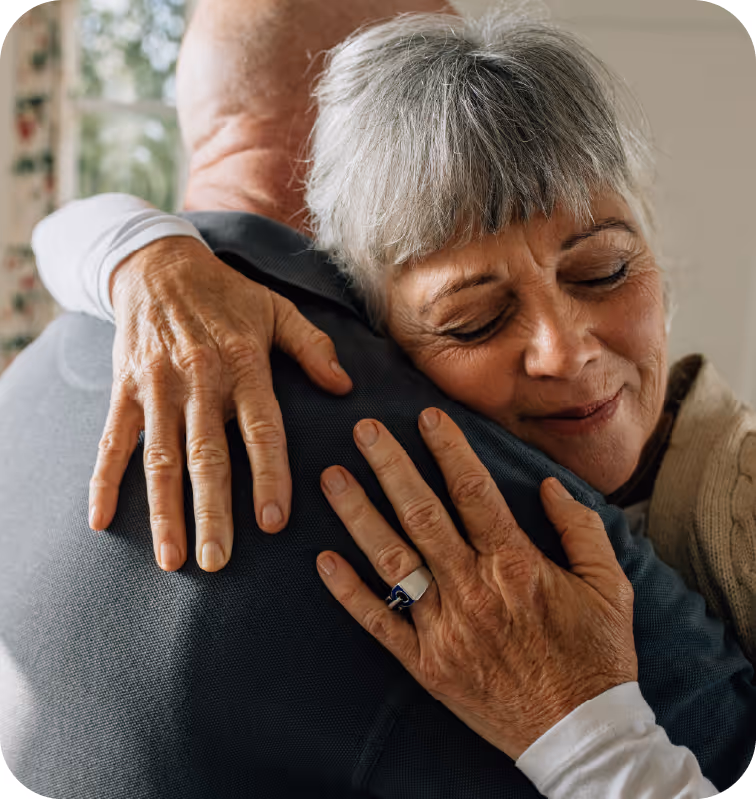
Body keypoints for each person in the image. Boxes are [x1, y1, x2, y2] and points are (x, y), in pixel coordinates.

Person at [5, 4, 754, 799]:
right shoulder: (455, 494)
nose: (564, 349)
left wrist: (593, 738)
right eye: (474, 319)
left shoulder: (30, 379)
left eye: (604, 269)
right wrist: (137, 254)